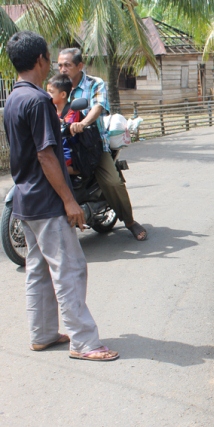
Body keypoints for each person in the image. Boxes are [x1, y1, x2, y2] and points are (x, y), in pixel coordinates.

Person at [3, 31, 118, 361]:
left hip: (26, 198)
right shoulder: (38, 100)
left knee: (38, 268)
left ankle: (42, 333)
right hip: (47, 199)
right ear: (40, 60)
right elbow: (46, 155)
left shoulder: (14, 98)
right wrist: (69, 200)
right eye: (50, 59)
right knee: (70, 269)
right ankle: (83, 342)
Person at [57, 47, 147, 240]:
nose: (63, 69)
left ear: (80, 66)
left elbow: (98, 106)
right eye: (60, 65)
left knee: (113, 182)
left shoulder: (95, 83)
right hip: (64, 144)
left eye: (67, 65)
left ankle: (130, 221)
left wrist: (83, 123)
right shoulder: (57, 85)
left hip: (91, 145)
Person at [46, 73, 80, 175]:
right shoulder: (50, 110)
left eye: (51, 92)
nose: (47, 95)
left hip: (68, 152)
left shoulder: (72, 111)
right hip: (54, 150)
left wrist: (58, 121)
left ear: (63, 95)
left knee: (51, 169)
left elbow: (67, 127)